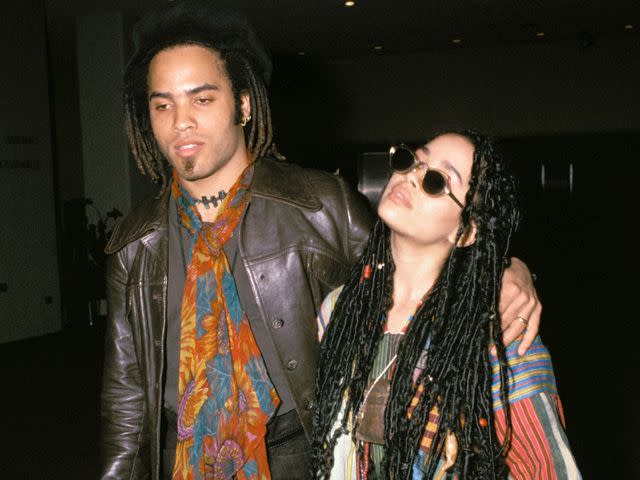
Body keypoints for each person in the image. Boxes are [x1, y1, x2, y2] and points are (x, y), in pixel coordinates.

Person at [99, 1, 541, 478]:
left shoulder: (318, 206)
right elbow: (126, 399)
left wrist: (510, 269)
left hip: (296, 453)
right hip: (179, 459)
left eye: (201, 99)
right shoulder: (135, 242)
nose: (180, 121)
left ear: (243, 105)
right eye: (162, 104)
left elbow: (418, 268)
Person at [312, 131, 581, 479]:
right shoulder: (339, 308)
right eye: (413, 160)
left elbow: (551, 471)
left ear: (465, 232)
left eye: (437, 180)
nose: (411, 175)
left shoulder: (500, 333)